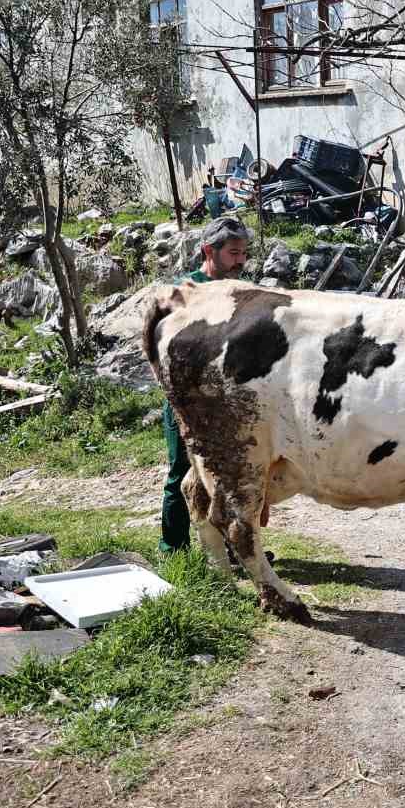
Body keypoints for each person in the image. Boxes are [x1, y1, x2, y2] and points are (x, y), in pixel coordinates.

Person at [159, 216, 252, 554]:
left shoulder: (242, 292)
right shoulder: (186, 295)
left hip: (227, 398)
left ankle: (233, 546)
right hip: (187, 399)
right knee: (182, 473)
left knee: (230, 475)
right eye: (233, 253)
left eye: (243, 253)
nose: (240, 261)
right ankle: (173, 550)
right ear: (208, 251)